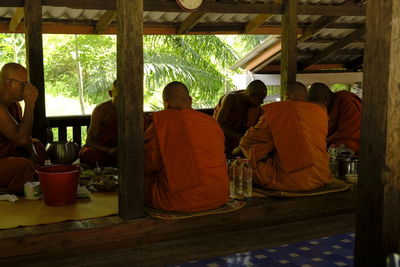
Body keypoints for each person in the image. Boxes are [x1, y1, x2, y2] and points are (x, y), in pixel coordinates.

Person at [144, 81, 229, 212]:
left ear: (166, 103)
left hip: (179, 201)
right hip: (218, 196)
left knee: (139, 182)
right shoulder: (211, 123)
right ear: (190, 100)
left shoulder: (163, 122)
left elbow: (149, 163)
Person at [239, 82, 331, 191]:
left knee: (241, 169)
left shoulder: (278, 111)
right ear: (306, 98)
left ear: (286, 96)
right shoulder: (320, 112)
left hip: (291, 181)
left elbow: (247, 142)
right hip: (321, 176)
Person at [0, 63, 40, 193]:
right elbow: (21, 139)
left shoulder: (15, 105)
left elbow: (26, 135)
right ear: (9, 83)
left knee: (38, 146)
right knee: (23, 166)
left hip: (8, 155)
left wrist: (33, 152)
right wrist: (30, 104)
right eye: (23, 84)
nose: (27, 88)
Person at [213, 80, 267, 156]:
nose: (262, 103)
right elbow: (218, 126)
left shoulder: (252, 108)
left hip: (235, 142)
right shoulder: (230, 99)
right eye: (260, 99)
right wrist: (239, 137)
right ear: (251, 95)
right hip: (219, 140)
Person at [308, 82, 362, 153]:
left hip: (353, 142)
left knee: (342, 144)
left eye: (319, 105)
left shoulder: (346, 101)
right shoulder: (330, 106)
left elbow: (348, 132)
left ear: (326, 99)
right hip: (333, 140)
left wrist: (324, 141)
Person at [80, 81, 118, 167]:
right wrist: (109, 150)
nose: (122, 101)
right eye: (118, 97)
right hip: (102, 150)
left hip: (121, 150)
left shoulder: (133, 110)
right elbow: (90, 141)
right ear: (110, 93)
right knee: (89, 154)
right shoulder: (101, 110)